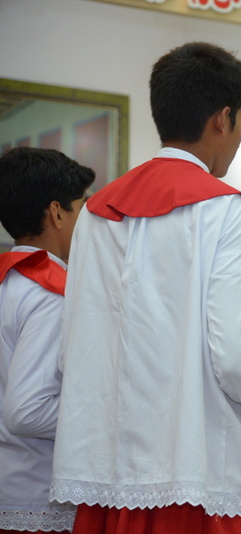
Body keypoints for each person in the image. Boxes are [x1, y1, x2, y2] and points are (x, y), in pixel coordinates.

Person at [50, 42, 241, 534]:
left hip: (110, 475)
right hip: (199, 474)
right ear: (222, 119)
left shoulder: (96, 212)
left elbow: (74, 343)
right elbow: (237, 356)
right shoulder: (222, 207)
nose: (240, 136)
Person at [0, 147, 95, 534]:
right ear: (57, 212)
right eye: (83, 206)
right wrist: (106, 417)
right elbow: (26, 411)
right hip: (37, 495)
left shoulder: (8, 279)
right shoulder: (51, 292)